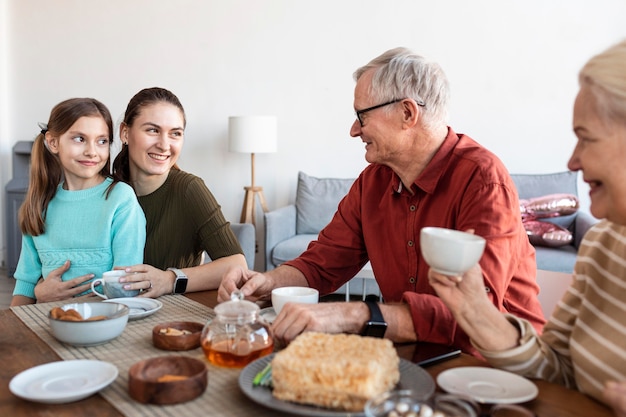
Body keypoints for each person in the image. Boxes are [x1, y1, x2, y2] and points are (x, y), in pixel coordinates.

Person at [219, 47, 545, 355]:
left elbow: (475, 312)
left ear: (407, 112)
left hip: (494, 365)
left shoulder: (482, 179)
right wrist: (267, 281)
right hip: (413, 352)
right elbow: (322, 263)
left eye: (361, 116)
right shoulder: (373, 182)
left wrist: (357, 313)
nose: (353, 130)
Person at [428, 39, 626, 416]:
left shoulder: (481, 172)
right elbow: (556, 370)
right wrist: (476, 311)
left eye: (586, 137)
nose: (572, 161)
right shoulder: (603, 244)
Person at [111, 87, 247, 298]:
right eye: (153, 130)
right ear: (125, 133)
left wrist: (169, 279)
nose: (164, 145)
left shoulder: (188, 190)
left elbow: (237, 265)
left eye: (175, 133)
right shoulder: (105, 191)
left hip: (174, 321)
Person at [11, 98, 146, 306]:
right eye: (79, 139)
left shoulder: (120, 199)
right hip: (48, 320)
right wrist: (39, 295)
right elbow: (25, 287)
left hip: (106, 323)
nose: (92, 151)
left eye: (102, 141)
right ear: (53, 142)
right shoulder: (40, 204)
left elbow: (126, 287)